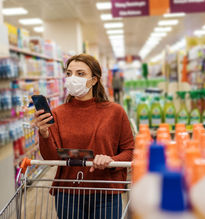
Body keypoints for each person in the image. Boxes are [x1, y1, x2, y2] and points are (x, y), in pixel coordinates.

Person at [33, 54, 134, 219]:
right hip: (68, 193)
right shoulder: (58, 113)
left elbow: (129, 150)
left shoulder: (115, 112)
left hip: (106, 191)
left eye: (80, 74)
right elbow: (51, 157)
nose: (73, 78)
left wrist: (111, 160)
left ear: (94, 80)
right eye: (69, 73)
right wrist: (44, 134)